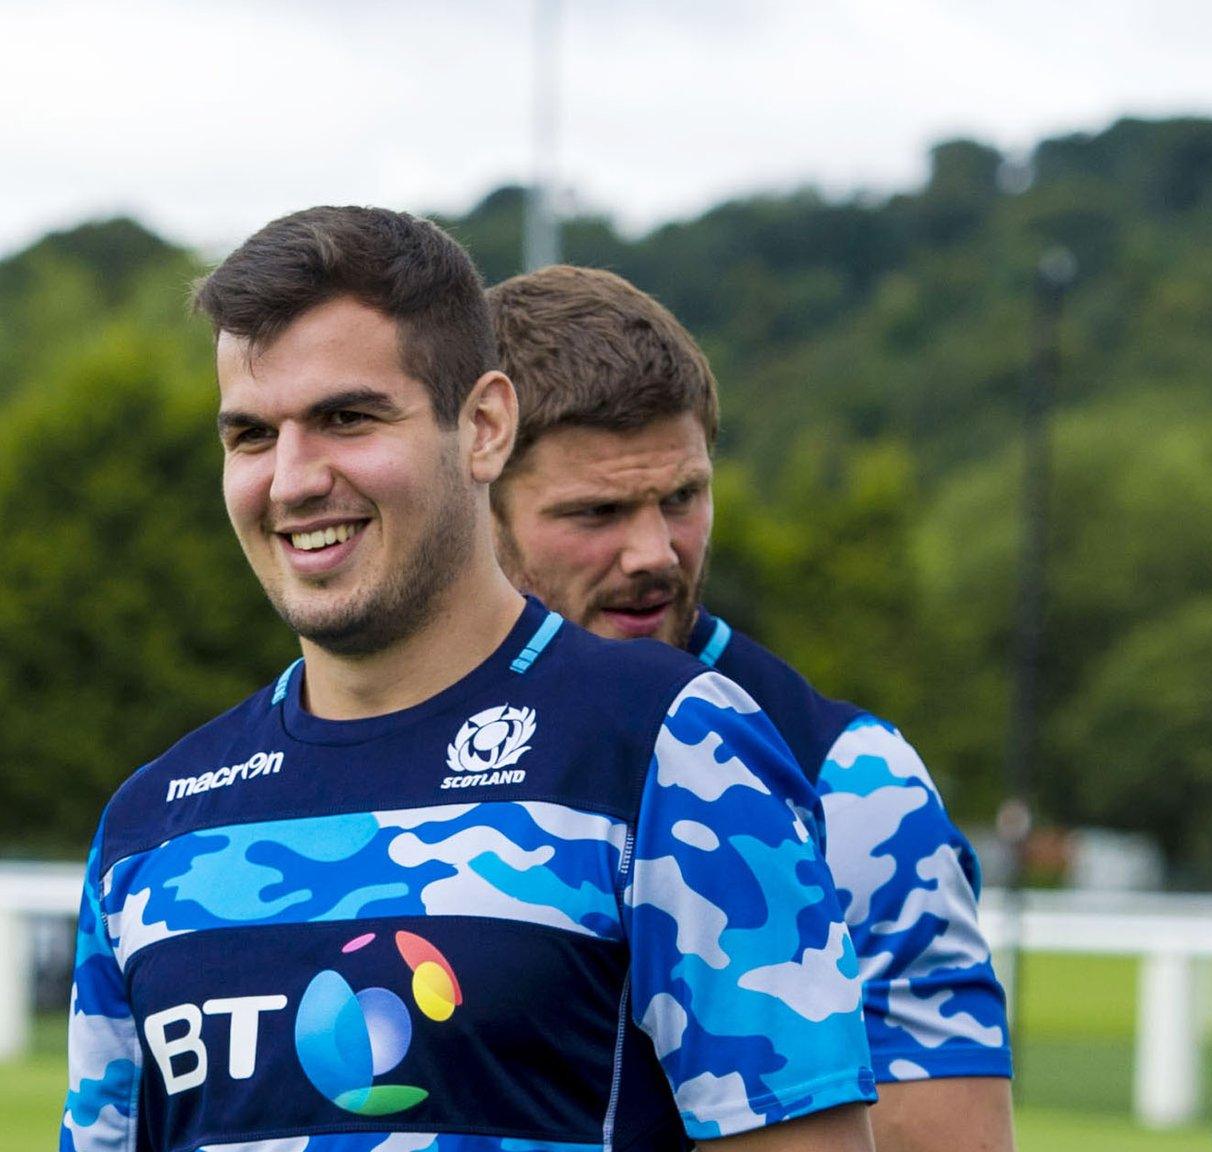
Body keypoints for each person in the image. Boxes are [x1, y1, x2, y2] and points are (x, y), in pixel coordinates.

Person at [61, 207, 876, 1152]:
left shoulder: (672, 747)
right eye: (250, 436)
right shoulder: (151, 826)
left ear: (484, 427)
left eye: (347, 418)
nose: (290, 480)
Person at [484, 265, 1014, 1152]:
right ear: (474, 499)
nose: (655, 552)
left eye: (682, 498)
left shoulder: (848, 781)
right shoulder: (364, 753)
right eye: (598, 512)